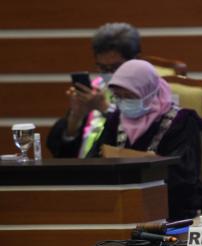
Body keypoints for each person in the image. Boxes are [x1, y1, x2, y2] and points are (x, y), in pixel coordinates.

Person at [48, 59, 202, 220]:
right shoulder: (117, 118)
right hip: (119, 208)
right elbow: (95, 161)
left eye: (130, 96)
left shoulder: (182, 121)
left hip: (168, 211)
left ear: (149, 92)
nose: (124, 102)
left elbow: (184, 178)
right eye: (118, 97)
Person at [47, 22, 141, 157]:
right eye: (103, 68)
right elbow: (60, 152)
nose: (109, 74)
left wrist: (103, 108)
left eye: (116, 67)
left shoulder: (150, 92)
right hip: (82, 172)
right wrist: (76, 116)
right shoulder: (96, 89)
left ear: (135, 60)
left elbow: (140, 141)